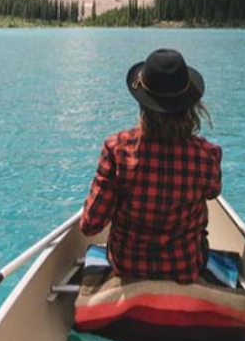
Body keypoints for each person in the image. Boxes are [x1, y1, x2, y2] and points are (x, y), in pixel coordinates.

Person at [80, 49, 222, 284]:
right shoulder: (207, 155)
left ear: (142, 103)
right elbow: (213, 191)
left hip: (126, 266)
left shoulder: (116, 149)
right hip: (185, 267)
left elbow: (90, 225)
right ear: (189, 106)